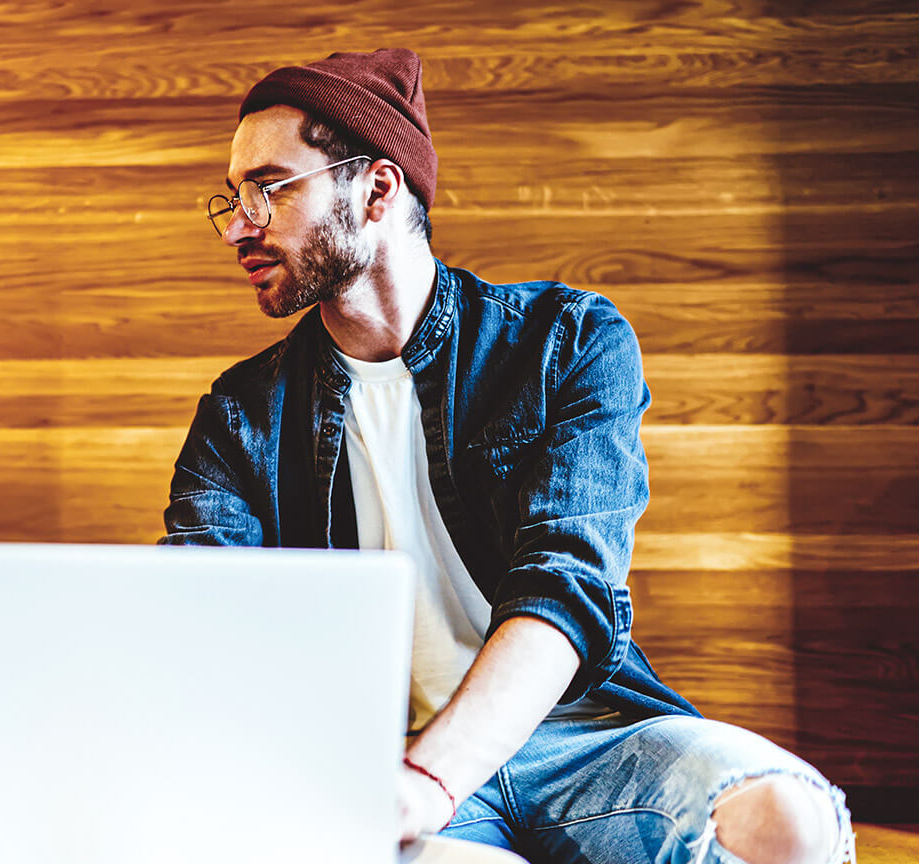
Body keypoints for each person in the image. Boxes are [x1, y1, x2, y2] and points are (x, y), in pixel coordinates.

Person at [161, 49, 854, 863]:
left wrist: (430, 779)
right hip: (374, 758)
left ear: (378, 189)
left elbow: (569, 584)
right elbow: (200, 621)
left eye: (269, 189)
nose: (240, 224)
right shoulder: (239, 415)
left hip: (582, 737)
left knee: (787, 821)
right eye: (231, 198)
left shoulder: (568, 342)